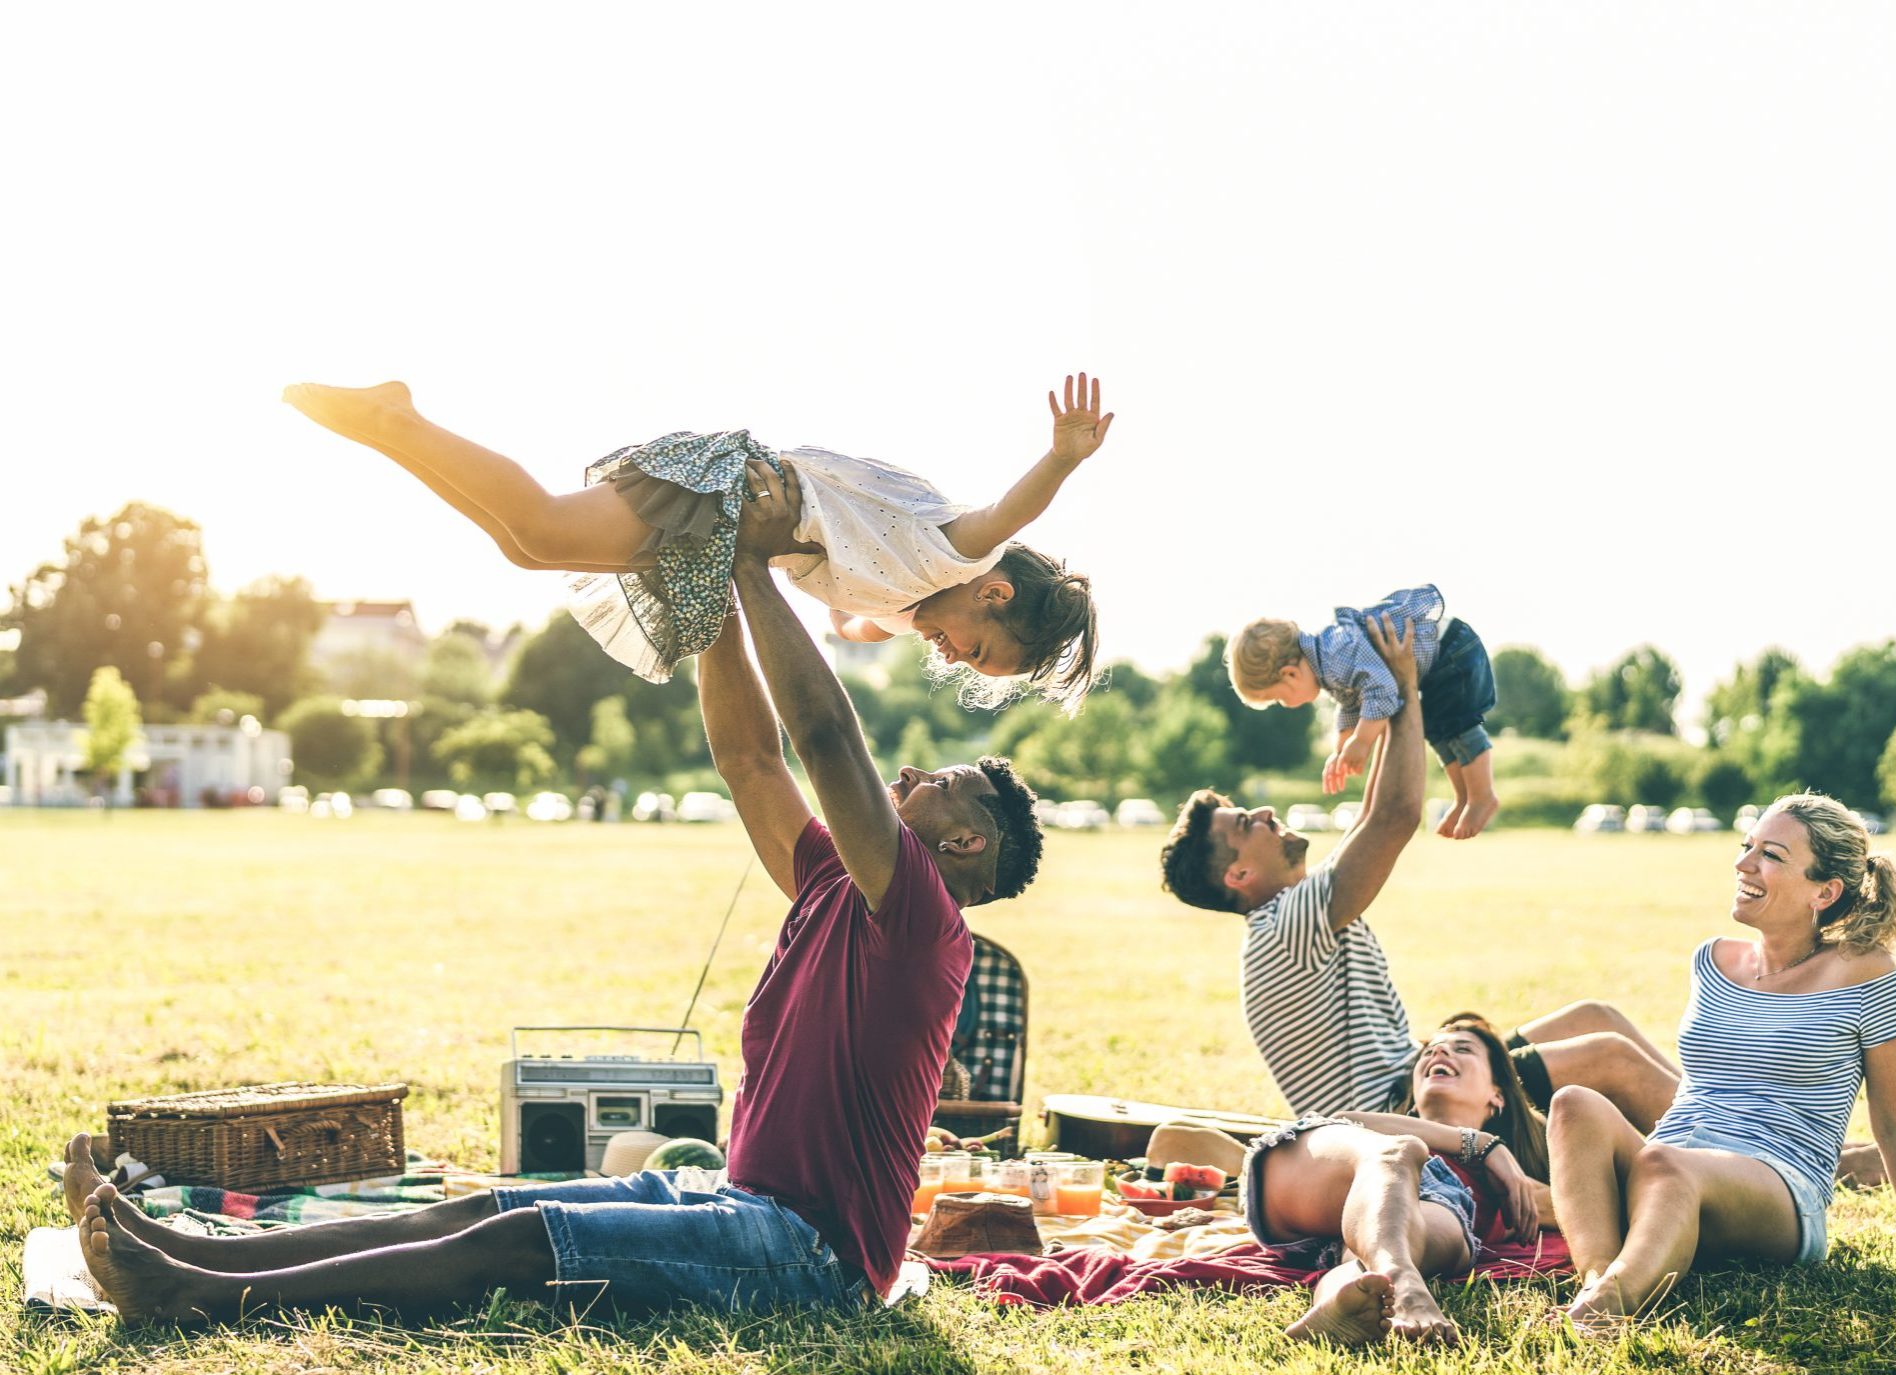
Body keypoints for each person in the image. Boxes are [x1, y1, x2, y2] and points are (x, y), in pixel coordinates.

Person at [68, 472, 1047, 1321]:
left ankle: (191, 1295)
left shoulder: (924, 923)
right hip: (743, 1200)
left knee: (525, 1243)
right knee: (484, 1208)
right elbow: (752, 761)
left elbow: (825, 742)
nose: (912, 771)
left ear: (963, 844)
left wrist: (751, 568)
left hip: (810, 1258)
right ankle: (191, 1258)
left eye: (939, 783)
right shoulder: (841, 879)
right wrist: (704, 594)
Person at [281, 373, 1108, 708]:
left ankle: (394, 430)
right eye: (978, 649)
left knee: (527, 549)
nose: (955, 658)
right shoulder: (954, 551)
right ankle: (398, 418)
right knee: (538, 526)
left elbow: (852, 625)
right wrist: (1062, 459)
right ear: (993, 592)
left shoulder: (903, 604)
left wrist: (848, 629)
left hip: (725, 531)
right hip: (720, 492)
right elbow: (1011, 513)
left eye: (967, 668)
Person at [1162, 610, 1683, 1135]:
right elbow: (1394, 818)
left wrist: (1380, 695)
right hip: (1399, 1116)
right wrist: (1406, 689)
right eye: (1247, 823)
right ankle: (1732, 1167)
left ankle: (1721, 1134)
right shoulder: (1284, 927)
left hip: (1415, 1079)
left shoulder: (1293, 912)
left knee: (1596, 1018)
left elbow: (1371, 816)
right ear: (1240, 875)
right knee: (1609, 1057)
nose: (1266, 814)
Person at [1547, 792, 1896, 1326]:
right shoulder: (1711, 961)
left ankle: (1613, 1306)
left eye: (1771, 855)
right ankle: (1599, 1282)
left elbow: (1893, 1119)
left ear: (1824, 891)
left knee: (1666, 1166)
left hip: (1780, 1187)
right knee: (1573, 1105)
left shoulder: (1868, 977)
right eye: (1746, 846)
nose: (1742, 864)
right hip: (1670, 1159)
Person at [1241, 1015, 1560, 1346]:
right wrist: (1478, 1143)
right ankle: (1405, 1285)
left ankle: (1334, 1303)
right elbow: (1346, 1121)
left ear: (1497, 1095)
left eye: (1462, 1048)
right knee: (1400, 1151)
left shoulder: (1513, 1184)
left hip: (1414, 1217)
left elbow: (1573, 1208)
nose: (1439, 1053)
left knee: (1380, 1251)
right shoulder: (1389, 1129)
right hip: (1311, 1179)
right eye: (1430, 1051)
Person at [1226, 584, 1498, 836]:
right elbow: (1351, 705)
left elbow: (1382, 693)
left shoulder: (1337, 653)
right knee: (1439, 732)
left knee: (1458, 725)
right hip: (1442, 658)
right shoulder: (1327, 667)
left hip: (1452, 649)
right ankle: (1464, 797)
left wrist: (1362, 740)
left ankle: (1482, 796)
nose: (1284, 705)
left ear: (1289, 675)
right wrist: (1342, 749)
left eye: (1278, 699)